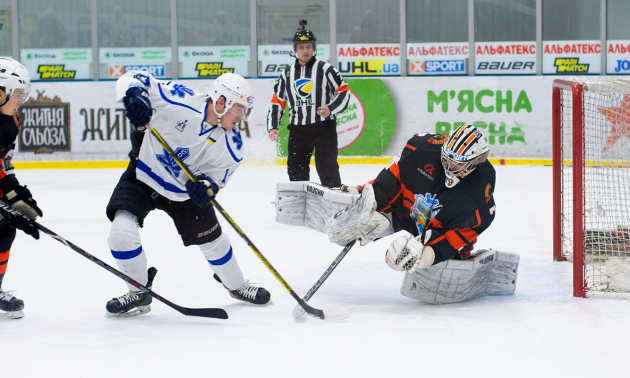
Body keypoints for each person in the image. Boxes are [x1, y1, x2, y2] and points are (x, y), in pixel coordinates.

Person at [104, 70, 271, 317]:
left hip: (183, 192)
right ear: (221, 101)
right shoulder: (182, 100)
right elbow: (134, 77)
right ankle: (138, 293)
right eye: (239, 109)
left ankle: (236, 286)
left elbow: (217, 179)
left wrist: (207, 187)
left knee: (214, 242)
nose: (241, 116)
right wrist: (134, 94)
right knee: (120, 234)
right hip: (144, 175)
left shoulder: (233, 146)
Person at [326, 124, 499, 297]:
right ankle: (363, 201)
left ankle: (453, 254)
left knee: (431, 257)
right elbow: (392, 177)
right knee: (374, 207)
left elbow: (476, 223)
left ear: (474, 162)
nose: (449, 166)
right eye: (447, 158)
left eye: (457, 164)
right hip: (407, 211)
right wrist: (368, 204)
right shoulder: (422, 147)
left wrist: (430, 254)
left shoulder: (479, 187)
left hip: (439, 225)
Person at [267, 20, 351, 188]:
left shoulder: (326, 69)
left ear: (314, 48)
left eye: (308, 47)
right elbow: (278, 101)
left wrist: (330, 108)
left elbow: (344, 93)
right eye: (301, 47)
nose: (305, 51)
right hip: (298, 131)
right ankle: (301, 206)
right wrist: (273, 126)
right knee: (296, 171)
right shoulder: (286, 74)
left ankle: (334, 204)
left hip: (324, 128)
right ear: (295, 49)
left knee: (327, 168)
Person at [0, 58, 43, 319]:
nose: (21, 101)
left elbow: (2, 167)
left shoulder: (10, 123)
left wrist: (15, 197)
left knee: (4, 228)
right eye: (18, 94)